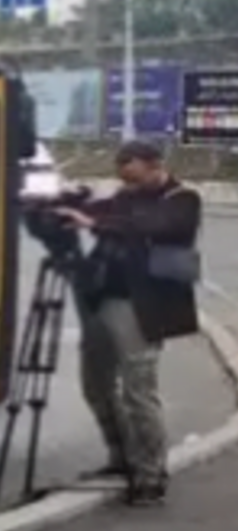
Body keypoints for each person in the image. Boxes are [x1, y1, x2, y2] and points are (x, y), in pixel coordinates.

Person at [54, 140, 202, 506]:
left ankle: (151, 472)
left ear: (155, 166)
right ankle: (121, 457)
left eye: (134, 178)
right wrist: (67, 201)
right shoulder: (124, 197)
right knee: (96, 385)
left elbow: (155, 226)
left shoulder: (183, 200)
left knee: (138, 389)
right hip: (104, 300)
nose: (128, 187)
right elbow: (98, 208)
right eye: (123, 179)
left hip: (143, 306)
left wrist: (94, 221)